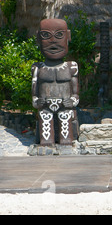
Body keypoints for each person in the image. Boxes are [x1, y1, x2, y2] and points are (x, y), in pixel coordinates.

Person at [31, 18, 79, 146]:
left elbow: (75, 94)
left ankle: (66, 143)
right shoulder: (37, 68)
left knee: (65, 119)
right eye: (46, 35)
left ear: (68, 36)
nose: (53, 41)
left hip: (65, 106)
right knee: (45, 118)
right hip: (45, 107)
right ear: (38, 38)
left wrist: (72, 101)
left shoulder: (71, 66)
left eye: (59, 35)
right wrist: (37, 102)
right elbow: (34, 94)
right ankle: (46, 143)